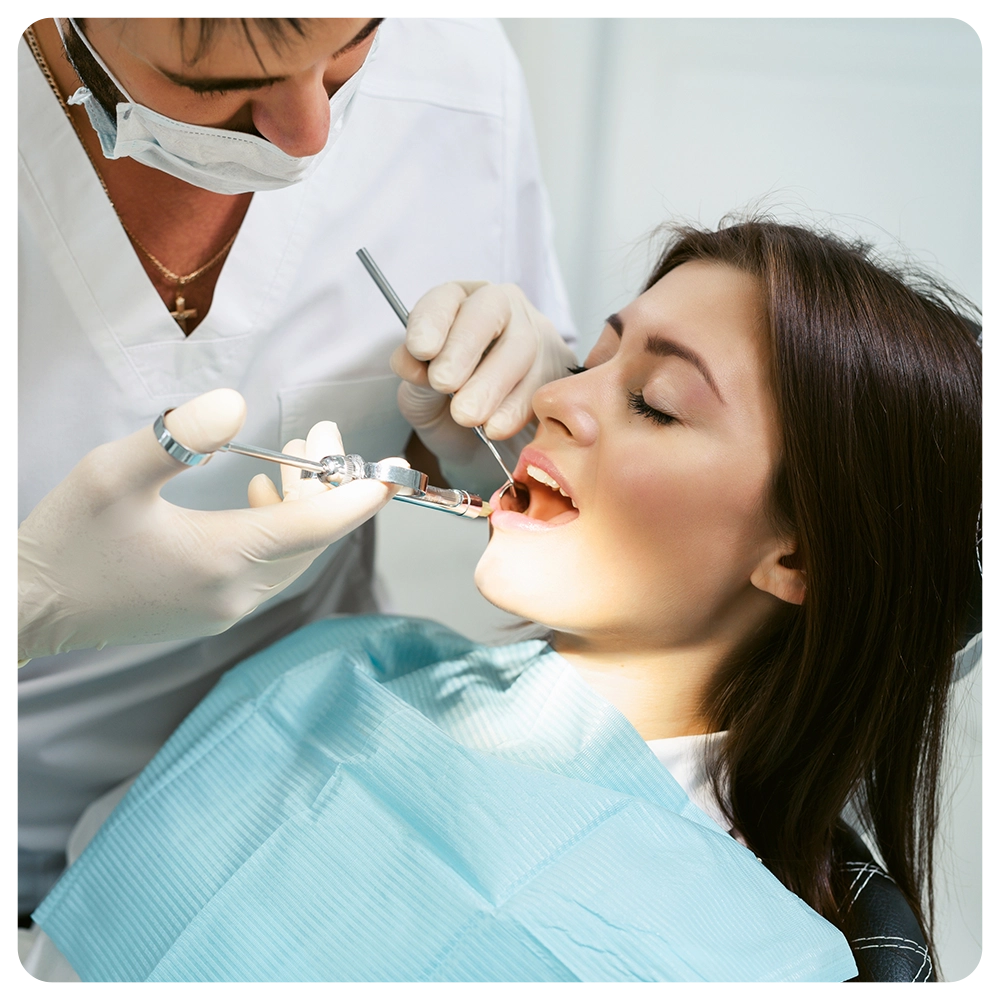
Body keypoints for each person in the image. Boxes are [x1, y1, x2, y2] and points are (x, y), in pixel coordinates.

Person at [26, 219, 983, 983]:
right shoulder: (345, 667)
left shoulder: (758, 965)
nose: (561, 401)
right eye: (590, 361)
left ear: (799, 554)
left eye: (653, 400)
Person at [16, 15, 577, 920]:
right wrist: (27, 602)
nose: (316, 133)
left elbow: (529, 487)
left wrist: (499, 427)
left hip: (284, 826)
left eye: (353, 50)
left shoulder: (456, 65)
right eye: (214, 86)